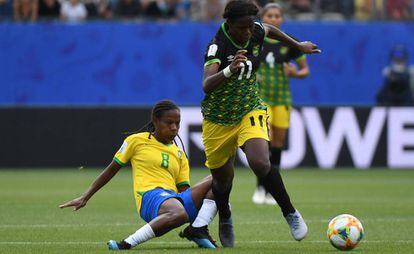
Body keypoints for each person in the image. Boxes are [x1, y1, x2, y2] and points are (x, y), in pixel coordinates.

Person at [201, 0, 320, 247]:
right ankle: (225, 217)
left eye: (250, 27)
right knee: (222, 180)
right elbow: (207, 84)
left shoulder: (254, 29)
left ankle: (290, 212)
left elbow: (270, 29)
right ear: (230, 23)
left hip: (249, 108)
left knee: (259, 161)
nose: (248, 32)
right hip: (218, 118)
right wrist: (229, 70)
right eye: (243, 27)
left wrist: (298, 45)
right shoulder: (217, 46)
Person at [60, 100, 218, 250]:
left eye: (177, 123)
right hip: (149, 197)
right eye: (169, 122)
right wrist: (85, 197)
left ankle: (197, 229)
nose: (174, 128)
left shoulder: (180, 153)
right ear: (155, 121)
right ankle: (126, 244)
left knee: (218, 180)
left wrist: (219, 205)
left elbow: (184, 191)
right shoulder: (136, 141)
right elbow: (111, 170)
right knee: (179, 212)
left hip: (172, 201)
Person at [252, 3, 310, 206]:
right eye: (270, 15)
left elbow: (305, 70)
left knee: (277, 145)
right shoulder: (255, 39)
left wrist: (295, 73)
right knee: (263, 142)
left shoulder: (289, 41)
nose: (274, 19)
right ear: (263, 17)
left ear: (281, 19)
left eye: (277, 16)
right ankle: (260, 187)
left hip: (282, 99)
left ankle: (271, 190)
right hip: (260, 99)